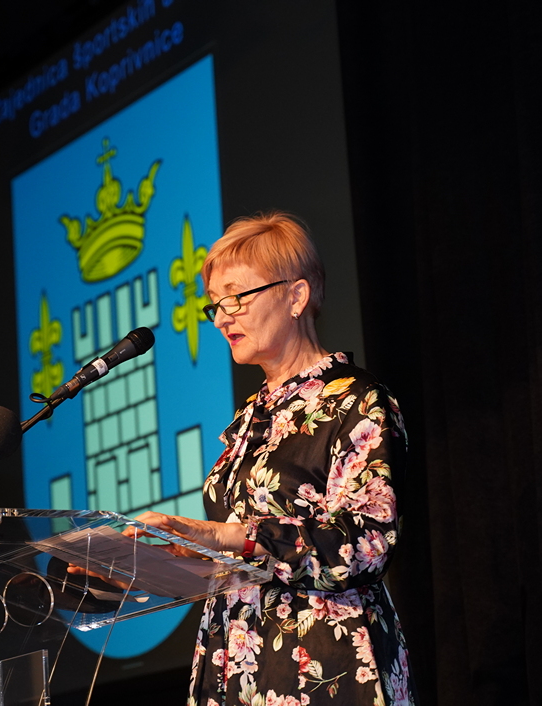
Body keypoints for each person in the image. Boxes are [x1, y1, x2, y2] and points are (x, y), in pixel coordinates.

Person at [131, 213, 416, 705]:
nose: (221, 317)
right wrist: (145, 564)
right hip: (237, 660)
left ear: (296, 296)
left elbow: (369, 542)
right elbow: (237, 552)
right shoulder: (250, 416)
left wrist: (234, 537)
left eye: (236, 297)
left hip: (325, 663)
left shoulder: (355, 400)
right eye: (215, 303)